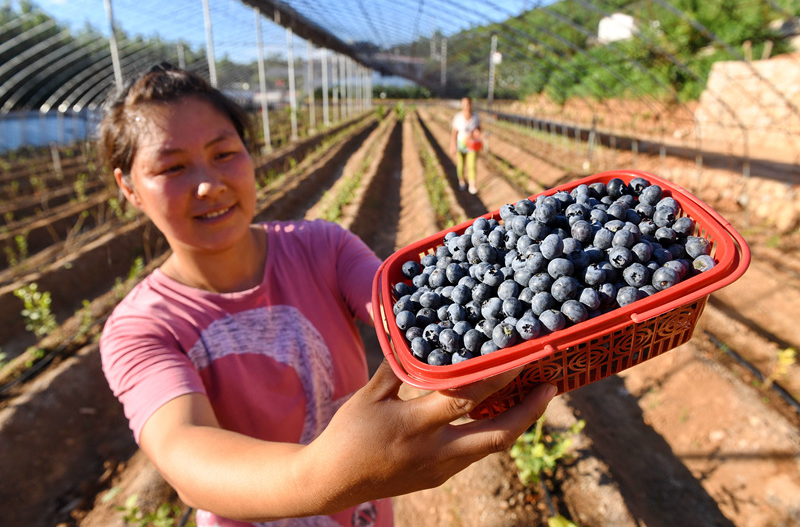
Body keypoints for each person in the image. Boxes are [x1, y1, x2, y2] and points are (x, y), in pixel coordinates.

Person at [97, 63, 556, 527]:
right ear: (129, 187)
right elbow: (184, 450)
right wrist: (321, 476)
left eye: (224, 153)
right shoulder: (140, 327)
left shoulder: (323, 248)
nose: (209, 183)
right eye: (172, 166)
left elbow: (407, 310)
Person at [450, 97, 481, 194]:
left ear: (471, 105)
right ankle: (462, 181)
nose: (466, 106)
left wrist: (477, 132)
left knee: (472, 165)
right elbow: (454, 132)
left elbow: (479, 129)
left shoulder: (475, 117)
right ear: (462, 106)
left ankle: (472, 185)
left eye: (468, 104)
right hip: (461, 145)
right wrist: (453, 144)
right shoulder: (458, 117)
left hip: (471, 145)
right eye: (464, 104)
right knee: (460, 165)